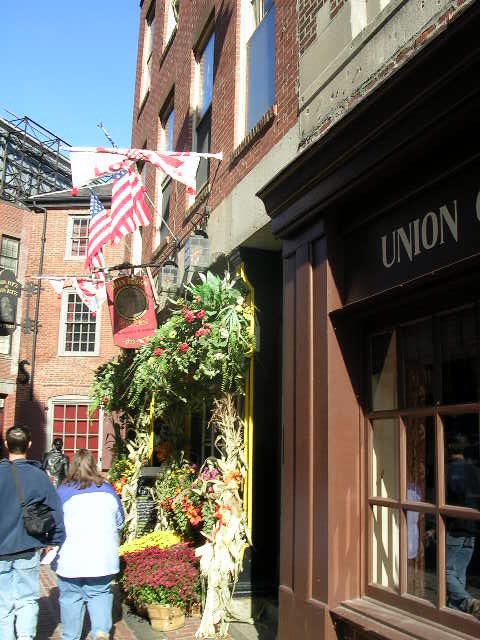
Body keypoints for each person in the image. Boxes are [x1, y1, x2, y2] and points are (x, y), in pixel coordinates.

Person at [0, 425, 66, 640]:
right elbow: (55, 510)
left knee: (2, 604)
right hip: (27, 546)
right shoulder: (38, 476)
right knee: (27, 599)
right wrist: (55, 540)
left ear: (6, 444)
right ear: (29, 444)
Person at [55, 449, 124, 640]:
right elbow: (120, 521)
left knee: (71, 597)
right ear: (94, 466)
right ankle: (100, 631)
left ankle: (70, 636)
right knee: (99, 593)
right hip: (102, 557)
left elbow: (55, 524)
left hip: (71, 557)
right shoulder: (108, 490)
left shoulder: (63, 491)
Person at [445, 433, 480, 619]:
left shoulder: (449, 470)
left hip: (455, 527)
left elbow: (453, 494)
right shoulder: (475, 470)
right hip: (472, 527)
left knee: (446, 571)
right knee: (459, 572)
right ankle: (455, 612)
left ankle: (468, 601)